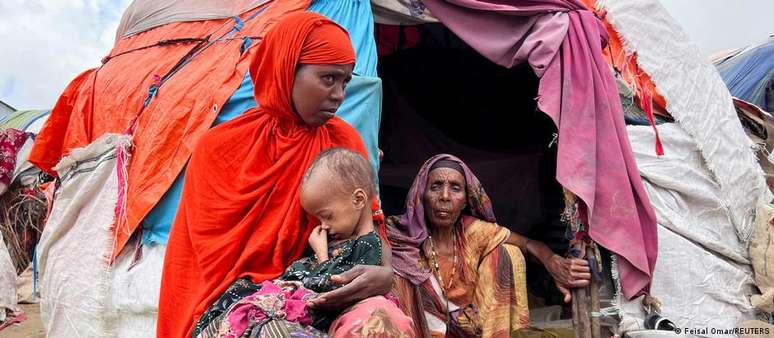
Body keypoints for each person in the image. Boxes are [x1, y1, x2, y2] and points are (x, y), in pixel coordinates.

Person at [158, 12, 410, 338]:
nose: (339, 95)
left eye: (345, 81)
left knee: (382, 322)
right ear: (287, 70)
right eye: (328, 79)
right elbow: (198, 266)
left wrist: (384, 274)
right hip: (233, 303)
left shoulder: (343, 141)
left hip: (323, 290)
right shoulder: (219, 148)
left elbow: (370, 223)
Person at [192, 148, 391, 337]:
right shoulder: (345, 239)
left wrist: (322, 255)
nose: (324, 226)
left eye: (327, 216)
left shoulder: (369, 245)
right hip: (288, 294)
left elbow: (332, 291)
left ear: (358, 200)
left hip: (303, 308)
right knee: (236, 293)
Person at [387, 154, 592, 338]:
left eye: (455, 188)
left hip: (473, 329)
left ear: (466, 200)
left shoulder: (473, 231)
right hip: (420, 331)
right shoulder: (402, 236)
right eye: (435, 187)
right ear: (421, 195)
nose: (445, 196)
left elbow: (528, 244)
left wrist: (554, 263)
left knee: (508, 252)